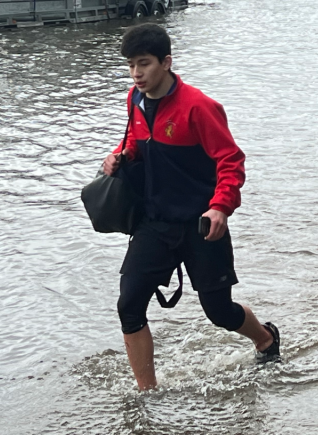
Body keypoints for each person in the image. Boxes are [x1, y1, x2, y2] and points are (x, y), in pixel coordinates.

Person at [101, 23, 279, 390]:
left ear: (166, 62)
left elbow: (230, 160)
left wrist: (221, 208)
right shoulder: (134, 101)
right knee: (128, 306)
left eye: (144, 64)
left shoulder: (199, 107)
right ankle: (146, 395)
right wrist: (121, 155)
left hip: (202, 225)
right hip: (154, 223)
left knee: (219, 312)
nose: (136, 74)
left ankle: (264, 338)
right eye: (131, 65)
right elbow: (137, 140)